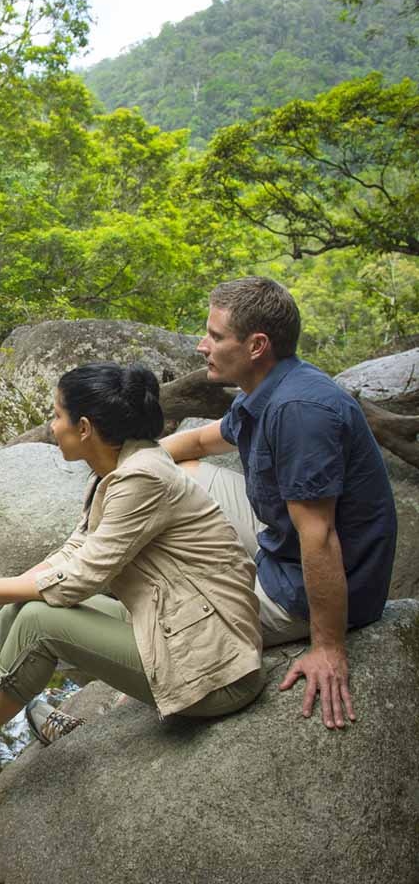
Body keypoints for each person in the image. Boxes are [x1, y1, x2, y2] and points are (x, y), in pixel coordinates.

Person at [0, 363, 265, 779]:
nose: (51, 426)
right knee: (17, 611)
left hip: (212, 670)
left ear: (84, 427)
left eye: (58, 415)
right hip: (173, 626)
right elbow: (78, 550)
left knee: (39, 621)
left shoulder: (143, 478)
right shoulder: (122, 468)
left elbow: (79, 579)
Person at [160, 276, 397, 731]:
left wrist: (328, 647)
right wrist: (126, 462)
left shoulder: (299, 410)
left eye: (214, 335)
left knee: (174, 617)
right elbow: (197, 441)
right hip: (282, 537)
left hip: (309, 583)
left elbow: (321, 536)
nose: (200, 345)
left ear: (256, 345)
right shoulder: (265, 390)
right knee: (173, 474)